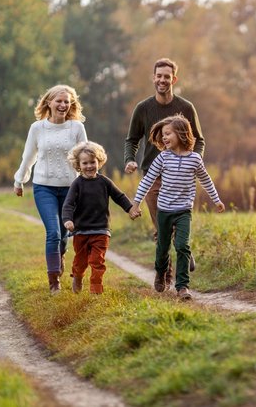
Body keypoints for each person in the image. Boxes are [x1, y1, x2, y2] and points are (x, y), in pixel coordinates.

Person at [124, 57, 205, 283]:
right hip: (153, 176)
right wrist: (130, 159)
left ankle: (183, 248)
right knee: (161, 226)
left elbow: (199, 140)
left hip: (180, 175)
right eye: (158, 76)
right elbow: (131, 140)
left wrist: (194, 161)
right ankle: (165, 274)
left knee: (178, 221)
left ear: (174, 79)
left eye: (166, 77)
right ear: (153, 78)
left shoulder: (186, 107)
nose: (162, 80)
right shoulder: (143, 108)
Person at [132, 114, 224, 300]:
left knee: (183, 245)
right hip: (164, 210)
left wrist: (217, 200)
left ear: (181, 134)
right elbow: (147, 181)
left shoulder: (195, 159)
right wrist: (135, 203)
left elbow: (206, 180)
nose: (164, 138)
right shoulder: (163, 158)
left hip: (183, 211)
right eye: (163, 134)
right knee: (163, 247)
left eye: (168, 134)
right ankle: (160, 272)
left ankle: (182, 286)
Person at [13, 85, 87, 294]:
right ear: (49, 102)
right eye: (59, 101)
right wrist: (20, 180)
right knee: (53, 232)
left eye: (67, 102)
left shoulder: (76, 128)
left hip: (70, 189)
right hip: (43, 187)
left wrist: (89, 184)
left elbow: (86, 156)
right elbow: (29, 156)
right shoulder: (37, 128)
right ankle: (54, 281)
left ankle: (60, 255)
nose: (63, 105)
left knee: (64, 235)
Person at [62, 141, 140, 295]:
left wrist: (130, 208)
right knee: (81, 261)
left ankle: (95, 289)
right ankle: (77, 277)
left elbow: (119, 196)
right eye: (85, 163)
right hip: (81, 231)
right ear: (78, 165)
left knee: (97, 261)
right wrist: (68, 220)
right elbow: (68, 204)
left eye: (93, 162)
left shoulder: (104, 182)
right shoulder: (77, 184)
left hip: (101, 229)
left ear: (99, 161)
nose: (89, 166)